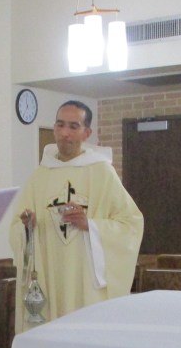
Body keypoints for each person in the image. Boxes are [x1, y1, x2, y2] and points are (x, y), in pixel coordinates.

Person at [9, 101, 143, 333]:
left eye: (73, 126)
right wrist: (27, 227)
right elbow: (15, 227)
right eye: (60, 125)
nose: (65, 133)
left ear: (87, 133)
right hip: (50, 276)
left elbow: (131, 224)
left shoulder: (102, 172)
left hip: (85, 282)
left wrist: (90, 225)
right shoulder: (40, 176)